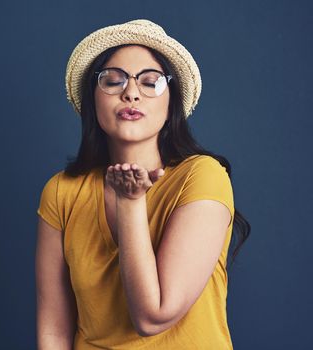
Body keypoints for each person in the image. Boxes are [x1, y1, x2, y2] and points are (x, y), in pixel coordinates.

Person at [35, 19, 251, 350]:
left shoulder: (203, 176)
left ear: (171, 105)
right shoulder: (62, 191)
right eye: (112, 81)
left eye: (150, 83)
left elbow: (153, 316)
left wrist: (131, 202)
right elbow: (54, 328)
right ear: (93, 100)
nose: (131, 92)